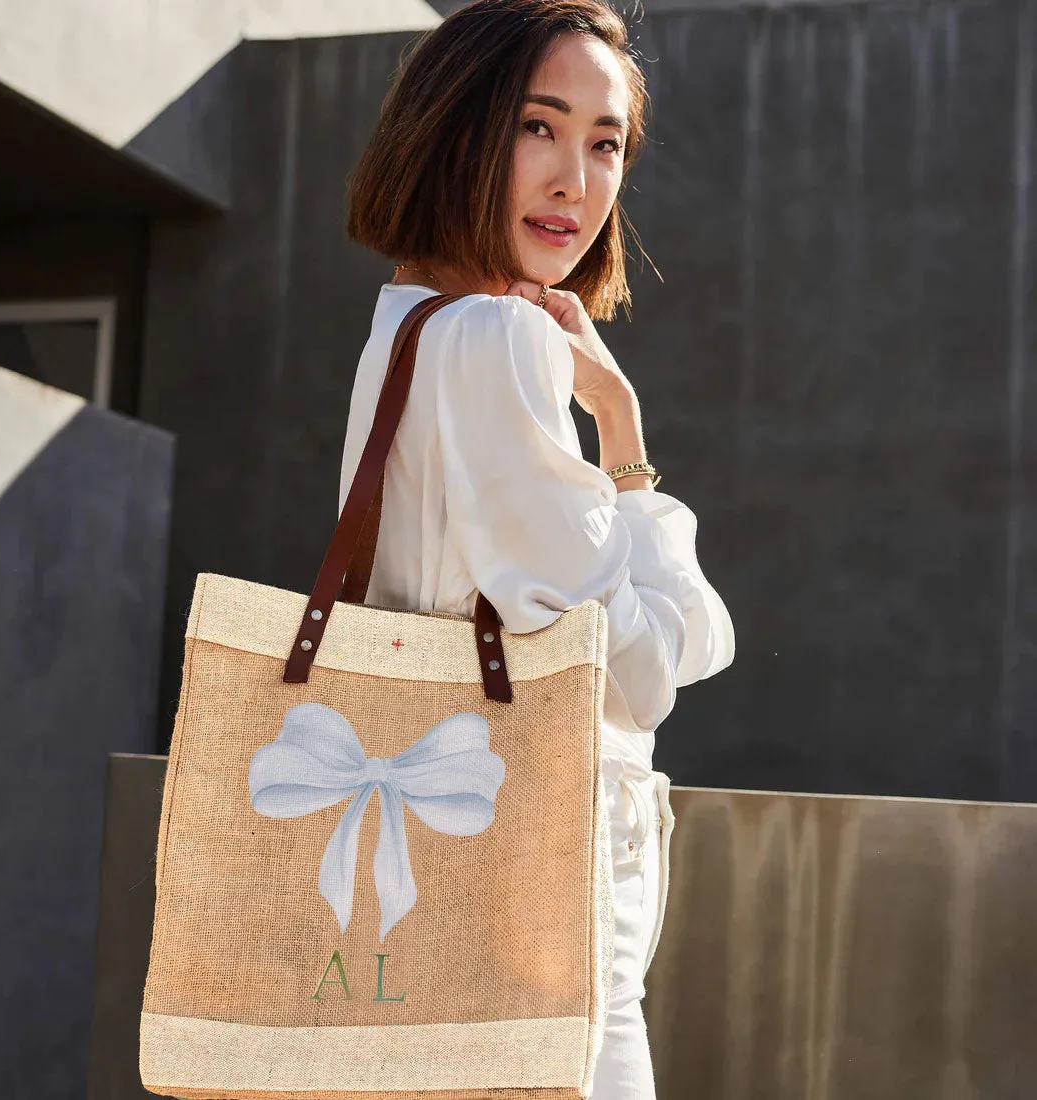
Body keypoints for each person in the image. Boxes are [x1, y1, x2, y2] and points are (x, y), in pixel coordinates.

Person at [339, 1, 735, 1096]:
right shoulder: (498, 339)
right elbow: (646, 668)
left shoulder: (403, 327)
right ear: (460, 126)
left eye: (604, 143)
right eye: (537, 127)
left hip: (441, 913)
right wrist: (626, 442)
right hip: (544, 937)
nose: (574, 179)